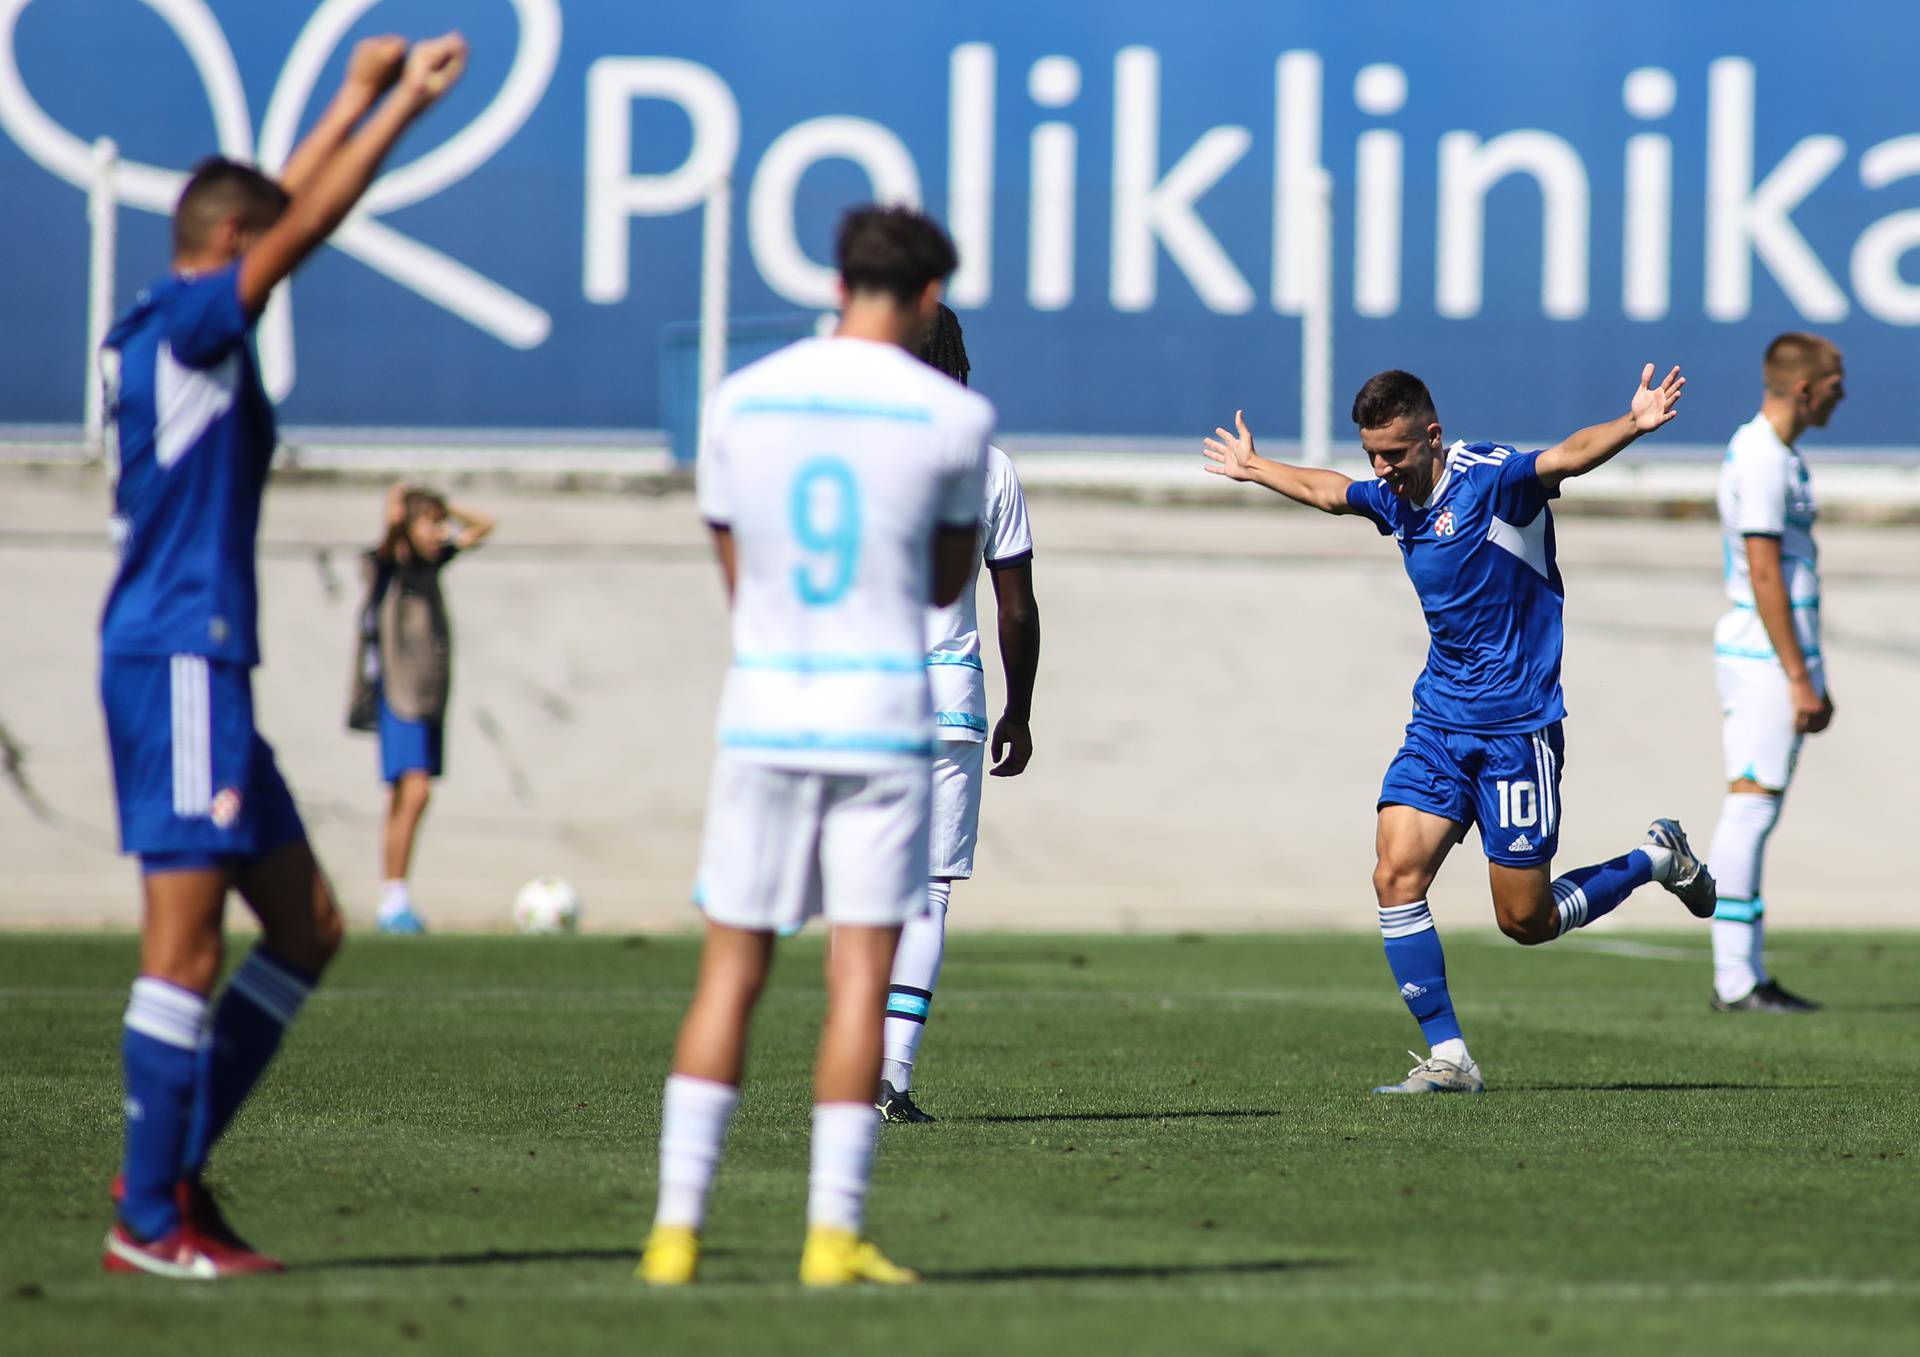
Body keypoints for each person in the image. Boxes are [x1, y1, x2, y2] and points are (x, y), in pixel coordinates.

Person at [94, 32, 469, 1278]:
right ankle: (149, 1217)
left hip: (203, 663)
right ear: (232, 252)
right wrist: (399, 113)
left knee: (306, 924)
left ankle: (173, 1169)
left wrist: (348, 93)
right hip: (178, 656)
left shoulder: (163, 309)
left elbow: (272, 207)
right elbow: (298, 225)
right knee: (185, 946)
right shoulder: (202, 324)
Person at [637, 206, 991, 1287]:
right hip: (882, 719)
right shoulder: (954, 415)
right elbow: (941, 583)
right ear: (930, 297)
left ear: (837, 280)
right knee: (858, 984)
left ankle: (675, 1234)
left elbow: (734, 565)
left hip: (766, 710)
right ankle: (831, 1236)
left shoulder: (740, 400)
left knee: (729, 973)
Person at [1201, 364, 1716, 1094]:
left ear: (1432, 436)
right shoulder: (1392, 497)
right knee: (1394, 874)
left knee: (1525, 921)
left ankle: (1656, 859)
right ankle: (1451, 1056)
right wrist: (1254, 467)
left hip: (1518, 728)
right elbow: (1329, 492)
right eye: (1373, 455)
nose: (1383, 471)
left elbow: (1565, 455)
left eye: (1397, 454)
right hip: (1440, 724)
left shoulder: (1493, 479)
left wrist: (1631, 424)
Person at [877, 304, 1040, 1124]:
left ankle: (850, 1062)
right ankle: (891, 1077)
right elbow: (1016, 604)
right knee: (930, 892)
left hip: (861, 695)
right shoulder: (990, 466)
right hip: (949, 701)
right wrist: (1020, 710)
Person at [1705, 334, 1844, 1012]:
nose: (1842, 391)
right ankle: (1735, 977)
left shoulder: (1776, 453)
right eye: (1834, 380)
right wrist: (1796, 673)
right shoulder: (1761, 456)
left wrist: (1810, 669)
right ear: (1804, 389)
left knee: (1758, 804)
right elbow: (1764, 572)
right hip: (1763, 655)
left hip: (1776, 655)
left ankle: (1744, 971)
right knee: (1750, 805)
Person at [365, 482, 495, 934]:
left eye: (442, 523)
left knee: (408, 795)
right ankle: (392, 897)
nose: (441, 530)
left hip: (428, 696)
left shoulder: (434, 563)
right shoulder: (390, 567)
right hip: (400, 695)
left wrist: (444, 504)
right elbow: (387, 543)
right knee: (413, 792)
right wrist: (398, 511)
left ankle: (394, 895)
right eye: (431, 522)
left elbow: (485, 526)